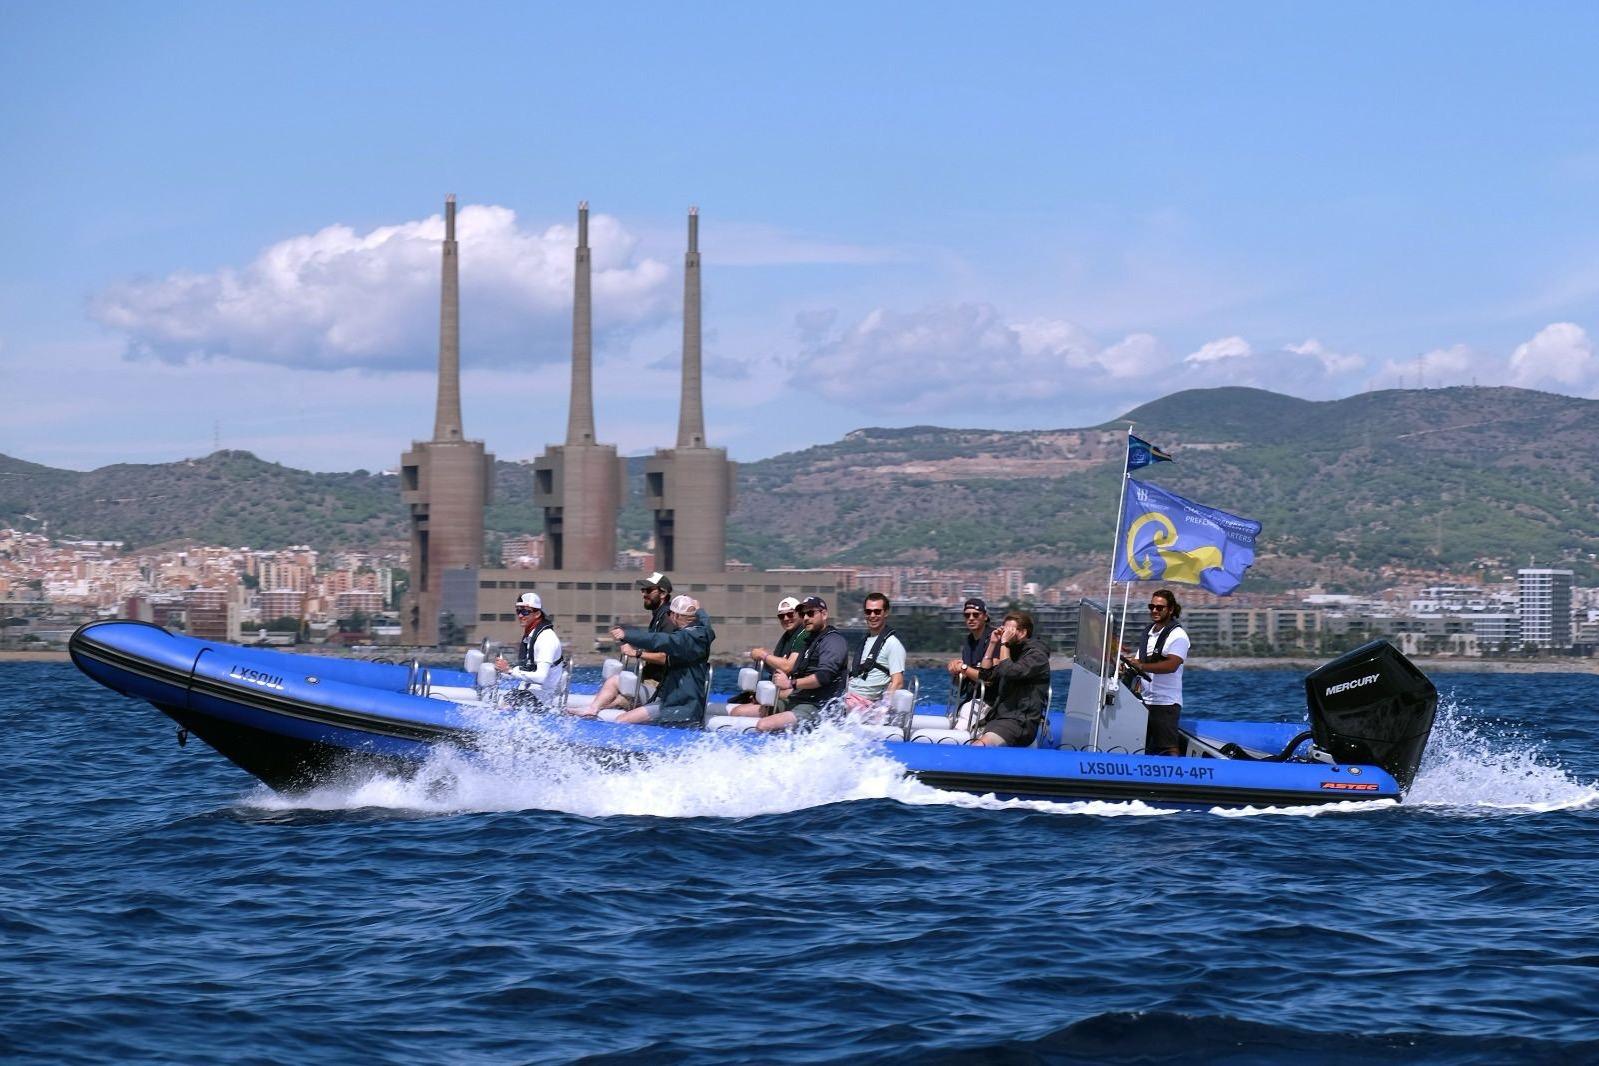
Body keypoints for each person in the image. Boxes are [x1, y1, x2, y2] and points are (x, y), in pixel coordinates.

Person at [605, 594, 715, 726]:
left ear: (676, 615)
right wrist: (699, 610)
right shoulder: (703, 632)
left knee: (622, 720)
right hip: (683, 703)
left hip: (679, 707)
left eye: (669, 613)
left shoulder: (683, 640)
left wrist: (626, 635)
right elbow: (706, 622)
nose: (668, 616)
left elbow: (658, 639)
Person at [583, 571, 674, 714]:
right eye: (643, 590)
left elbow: (666, 657)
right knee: (613, 697)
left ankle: (592, 711)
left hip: (658, 687)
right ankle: (595, 710)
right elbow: (654, 646)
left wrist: (636, 653)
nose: (643, 594)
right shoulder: (659, 616)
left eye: (648, 590)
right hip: (650, 682)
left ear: (662, 594)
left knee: (615, 683)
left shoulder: (667, 619)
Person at [758, 596, 849, 733]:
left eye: (810, 613)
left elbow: (823, 677)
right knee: (763, 710)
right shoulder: (809, 642)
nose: (806, 618)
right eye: (802, 614)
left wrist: (790, 683)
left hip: (819, 707)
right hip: (800, 700)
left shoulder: (833, 641)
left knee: (763, 725)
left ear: (824, 614)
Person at [1120, 588, 1189, 756]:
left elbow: (1172, 665)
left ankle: (1175, 770)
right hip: (1143, 700)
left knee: (1168, 747)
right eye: (1152, 607)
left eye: (1159, 607)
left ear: (1170, 609)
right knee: (1139, 746)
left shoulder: (1178, 636)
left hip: (1165, 703)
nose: (1154, 610)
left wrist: (1142, 666)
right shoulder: (1149, 633)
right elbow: (1140, 660)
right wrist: (1126, 666)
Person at [970, 610, 1050, 747]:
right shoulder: (1011, 653)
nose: (1004, 634)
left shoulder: (1037, 656)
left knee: (980, 745)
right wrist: (993, 643)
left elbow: (1009, 672)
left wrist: (1004, 644)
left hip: (1020, 721)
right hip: (1000, 718)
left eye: (1009, 630)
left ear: (1023, 633)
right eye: (1004, 630)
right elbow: (986, 677)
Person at [729, 596, 809, 717]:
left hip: (795, 693)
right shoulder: (788, 636)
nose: (786, 618)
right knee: (738, 704)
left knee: (738, 712)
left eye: (790, 614)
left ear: (800, 614)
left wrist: (763, 655)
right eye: (781, 616)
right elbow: (777, 665)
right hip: (782, 690)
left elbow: (788, 667)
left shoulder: (803, 635)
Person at [493, 592, 564, 705]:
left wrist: (509, 671)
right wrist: (503, 670)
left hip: (543, 697)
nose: (520, 615)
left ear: (537, 614)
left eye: (525, 612)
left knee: (503, 705)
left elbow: (540, 677)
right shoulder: (531, 635)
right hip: (530, 690)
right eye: (518, 611)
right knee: (501, 702)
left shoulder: (546, 639)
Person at [844, 592, 905, 718]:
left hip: (864, 704)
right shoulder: (866, 641)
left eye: (877, 612)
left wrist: (882, 711)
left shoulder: (892, 644)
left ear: (886, 613)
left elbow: (898, 682)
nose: (872, 615)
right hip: (848, 696)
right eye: (868, 612)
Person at [945, 597, 994, 704]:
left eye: (976, 615)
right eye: (967, 615)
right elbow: (963, 679)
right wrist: (956, 671)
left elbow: (989, 679)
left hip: (990, 700)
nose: (971, 618)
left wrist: (963, 668)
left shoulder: (994, 639)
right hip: (972, 698)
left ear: (985, 617)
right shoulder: (969, 641)